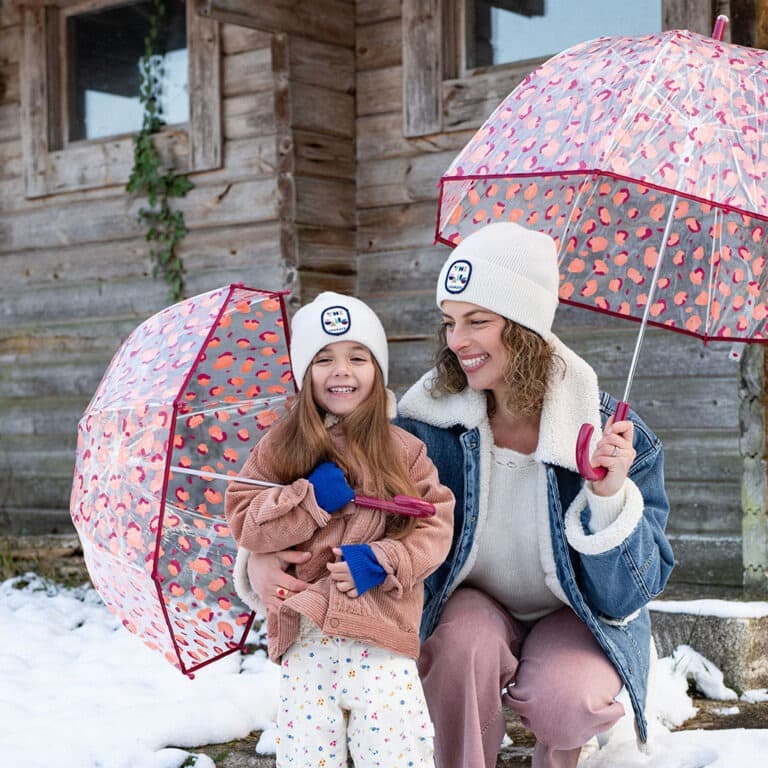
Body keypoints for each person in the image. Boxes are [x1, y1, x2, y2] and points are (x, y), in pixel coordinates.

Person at [241, 222, 675, 768]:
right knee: (457, 648)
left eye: (477, 321)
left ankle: (560, 754)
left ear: (522, 326)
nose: (457, 341)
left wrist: (609, 496)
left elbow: (625, 598)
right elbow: (343, 479)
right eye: (449, 322)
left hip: (578, 615)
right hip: (473, 606)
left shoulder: (610, 436)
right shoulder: (427, 422)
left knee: (568, 702)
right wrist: (257, 555)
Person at [225, 292, 455, 768]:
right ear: (304, 372)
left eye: (357, 357)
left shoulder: (404, 450)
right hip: (307, 635)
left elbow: (434, 523)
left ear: (377, 369)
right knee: (309, 753)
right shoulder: (280, 448)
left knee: (394, 750)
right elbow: (245, 518)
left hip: (382, 634)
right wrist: (306, 501)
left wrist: (385, 560)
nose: (342, 370)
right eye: (323, 359)